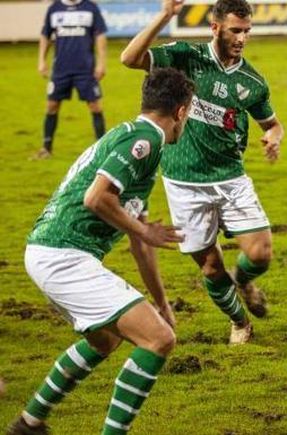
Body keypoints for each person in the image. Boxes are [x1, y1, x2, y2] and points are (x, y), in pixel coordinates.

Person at [7, 68, 194, 435]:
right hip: (63, 255)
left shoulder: (133, 136)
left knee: (104, 338)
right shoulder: (145, 142)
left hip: (49, 252)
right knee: (158, 340)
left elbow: (140, 241)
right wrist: (143, 229)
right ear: (181, 112)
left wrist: (163, 303)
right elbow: (97, 199)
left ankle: (30, 422)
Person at [121, 0, 284, 344]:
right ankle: (240, 323)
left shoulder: (252, 81)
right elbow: (130, 58)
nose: (241, 38)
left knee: (260, 253)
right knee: (210, 267)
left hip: (230, 178)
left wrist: (273, 136)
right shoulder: (185, 58)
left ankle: (243, 278)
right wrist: (165, 16)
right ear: (215, 27)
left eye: (246, 31)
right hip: (184, 183)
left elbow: (272, 123)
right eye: (235, 30)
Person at [36, 0, 108, 159]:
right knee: (52, 106)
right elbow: (45, 35)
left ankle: (102, 150)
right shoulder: (54, 9)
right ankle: (46, 149)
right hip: (60, 70)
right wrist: (41, 60)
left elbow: (100, 36)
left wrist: (102, 63)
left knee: (95, 106)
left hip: (86, 70)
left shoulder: (90, 8)